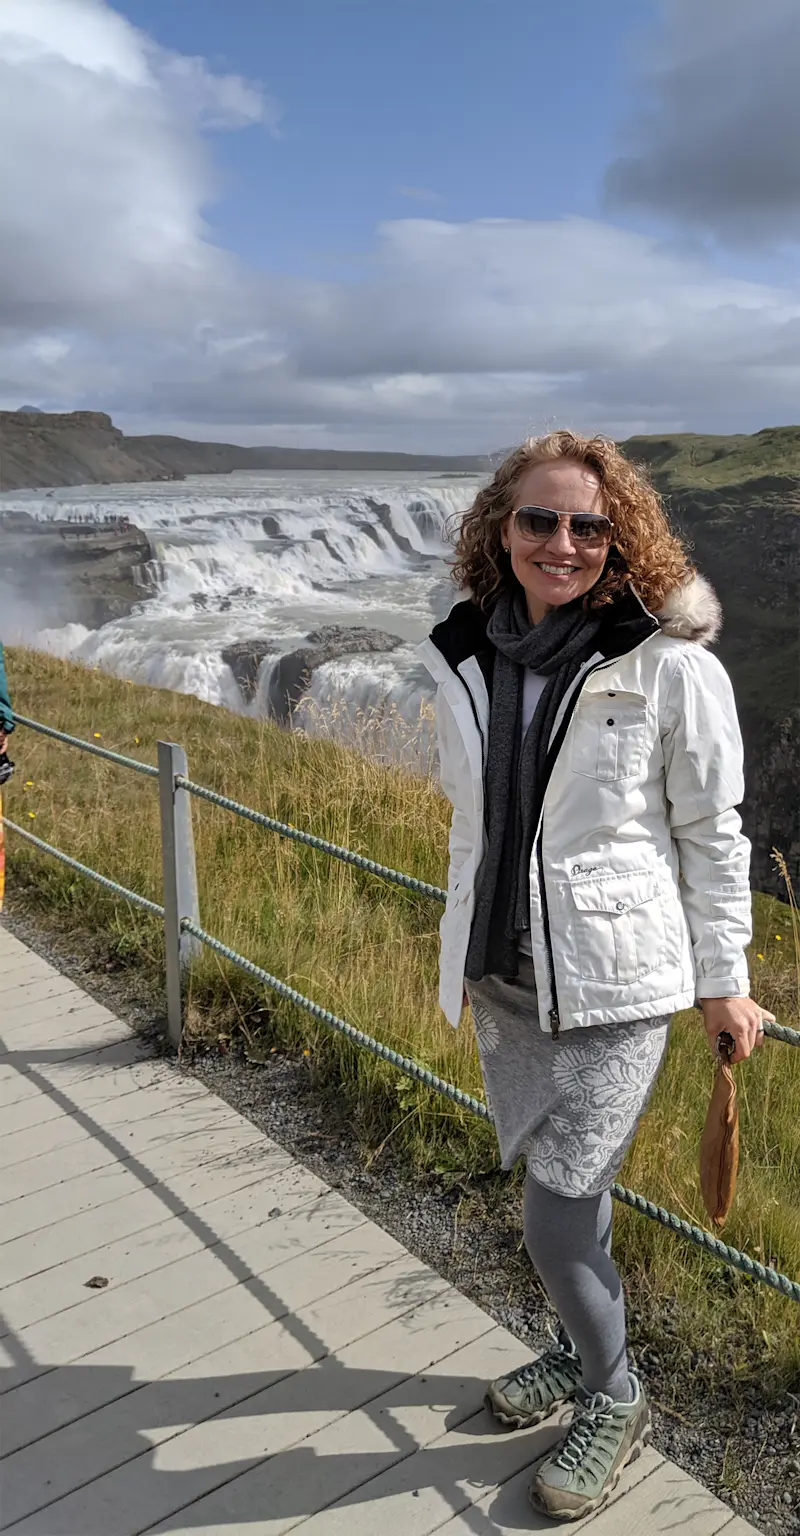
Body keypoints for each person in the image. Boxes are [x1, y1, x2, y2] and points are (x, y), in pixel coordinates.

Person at [418, 431, 772, 1522]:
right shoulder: (464, 650)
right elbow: (472, 826)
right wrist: (451, 948)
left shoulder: (668, 665)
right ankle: (580, 1353)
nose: (560, 543)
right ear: (500, 528)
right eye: (537, 520)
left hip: (616, 985)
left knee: (554, 1217)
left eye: (586, 525)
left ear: (620, 542)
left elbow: (711, 835)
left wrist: (724, 976)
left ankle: (613, 1394)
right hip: (507, 979)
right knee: (572, 1198)